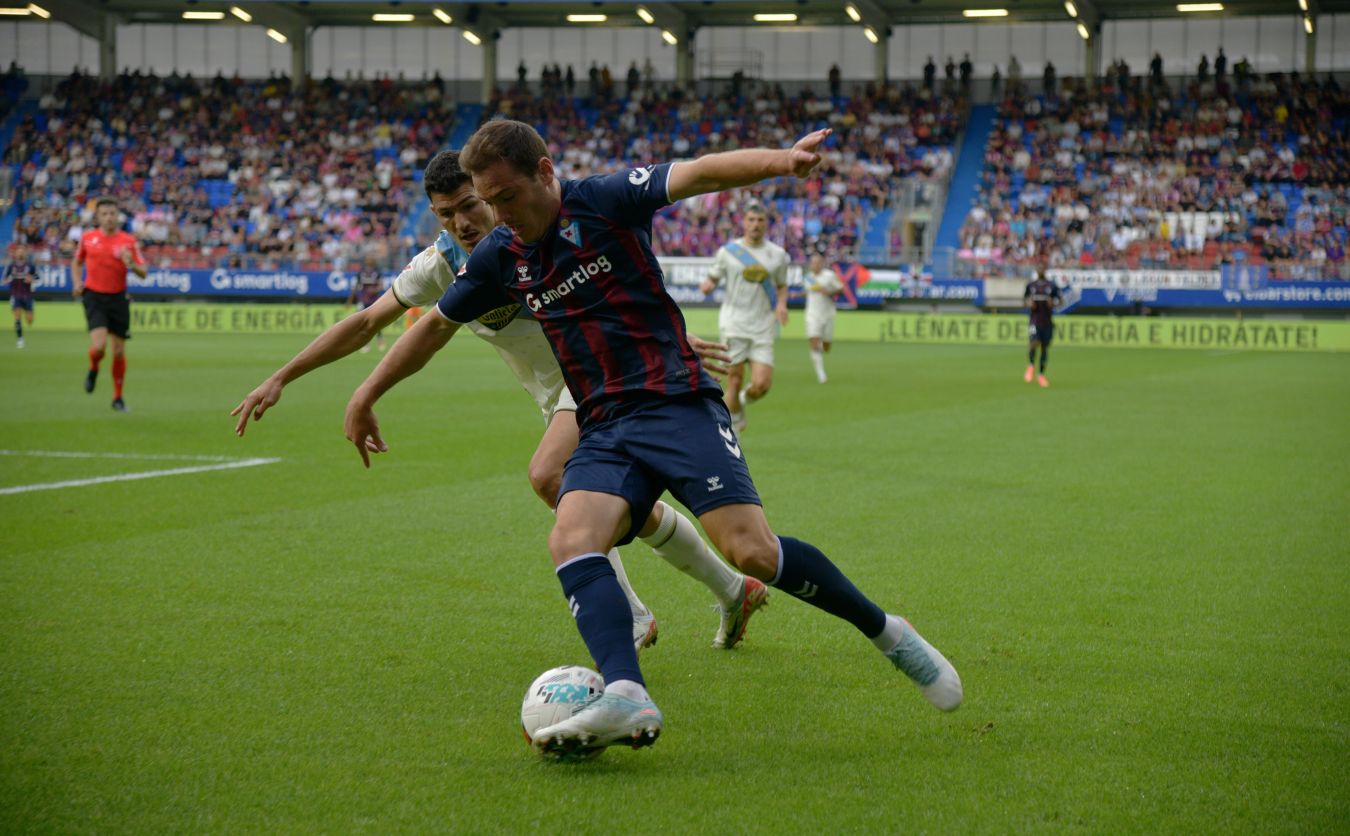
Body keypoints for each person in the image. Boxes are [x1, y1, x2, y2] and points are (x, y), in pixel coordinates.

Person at [343, 120, 962, 760]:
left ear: (545, 173)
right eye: (488, 201)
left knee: (752, 551)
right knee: (572, 538)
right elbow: (432, 328)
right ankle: (626, 691)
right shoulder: (501, 254)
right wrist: (366, 394)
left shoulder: (603, 200)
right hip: (603, 423)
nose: (499, 215)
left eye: (506, 197)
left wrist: (783, 160)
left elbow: (700, 172)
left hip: (675, 402)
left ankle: (889, 632)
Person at [232, 150, 766, 653]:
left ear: (492, 193)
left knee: (549, 476)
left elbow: (615, 286)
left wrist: (663, 336)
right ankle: (731, 589)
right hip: (558, 395)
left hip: (599, 384)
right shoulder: (442, 265)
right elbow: (368, 321)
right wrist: (282, 377)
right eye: (446, 214)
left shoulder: (545, 232)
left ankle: (631, 616)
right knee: (616, 507)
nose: (461, 222)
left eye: (470, 205)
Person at [698, 201, 788, 432]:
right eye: (751, 220)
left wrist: (781, 305)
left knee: (762, 384)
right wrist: (707, 285)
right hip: (734, 323)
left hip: (763, 326)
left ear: (766, 224)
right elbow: (713, 277)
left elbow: (781, 285)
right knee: (734, 379)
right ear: (744, 223)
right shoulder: (728, 252)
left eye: (760, 220)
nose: (755, 224)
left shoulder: (778, 255)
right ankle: (732, 431)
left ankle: (740, 403)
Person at [71, 197, 146, 411]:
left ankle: (117, 398)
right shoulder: (88, 238)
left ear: (118, 216)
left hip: (118, 298)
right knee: (99, 346)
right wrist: (76, 283)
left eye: (112, 213)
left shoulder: (128, 241)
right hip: (94, 296)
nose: (109, 217)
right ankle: (93, 367)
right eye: (104, 214)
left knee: (119, 352)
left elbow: (143, 272)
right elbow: (76, 262)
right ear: (98, 217)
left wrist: (131, 264)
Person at [803, 253, 844, 384]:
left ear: (822, 264)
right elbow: (808, 293)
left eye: (817, 263)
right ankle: (821, 374)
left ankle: (820, 349)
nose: (814, 265)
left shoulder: (829, 276)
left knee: (826, 347)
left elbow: (841, 288)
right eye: (812, 263)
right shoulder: (808, 278)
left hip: (827, 314)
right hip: (812, 314)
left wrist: (830, 292)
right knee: (814, 342)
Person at [1023, 262, 1062, 388]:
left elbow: (1061, 301)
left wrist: (1053, 303)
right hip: (1034, 320)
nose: (1040, 270)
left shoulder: (1051, 286)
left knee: (1044, 348)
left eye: (1042, 268)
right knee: (1033, 343)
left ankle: (1041, 375)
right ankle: (1031, 365)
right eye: (1038, 268)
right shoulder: (1031, 285)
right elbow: (1024, 300)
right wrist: (1029, 304)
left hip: (1047, 321)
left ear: (1045, 270)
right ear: (1036, 270)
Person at [347, 260, 387, 353]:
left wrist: (375, 289)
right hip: (363, 301)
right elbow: (355, 287)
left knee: (375, 321)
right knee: (364, 323)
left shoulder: (377, 273)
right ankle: (365, 344)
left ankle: (379, 340)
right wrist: (350, 299)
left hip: (374, 301)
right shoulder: (361, 273)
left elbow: (381, 286)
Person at [4, 243, 37, 348]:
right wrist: (8, 280)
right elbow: (4, 279)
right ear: (15, 253)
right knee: (17, 318)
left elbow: (38, 278)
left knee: (29, 320)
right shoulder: (11, 266)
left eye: (22, 251)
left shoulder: (30, 266)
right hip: (15, 295)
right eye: (18, 251)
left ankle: (27, 321)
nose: (20, 253)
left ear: (25, 253)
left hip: (27, 295)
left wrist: (31, 279)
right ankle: (20, 339)